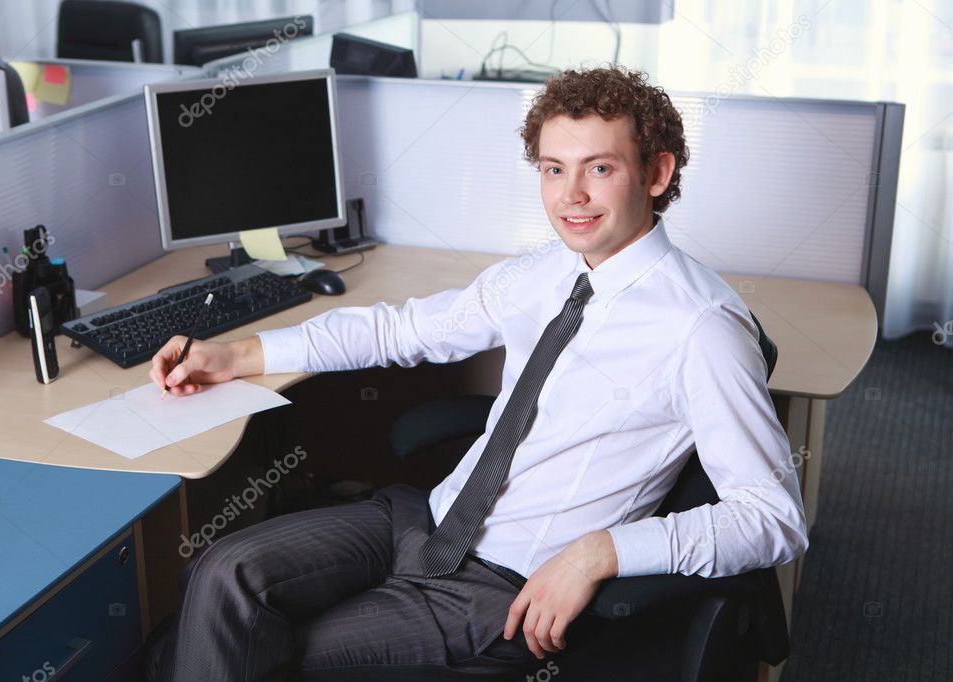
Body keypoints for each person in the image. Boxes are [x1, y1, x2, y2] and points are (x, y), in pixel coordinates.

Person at [147, 65, 809, 681]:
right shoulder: (546, 271)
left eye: (598, 168)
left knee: (251, 648)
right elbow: (399, 330)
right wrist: (234, 356)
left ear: (656, 173)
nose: (570, 196)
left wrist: (600, 553)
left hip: (504, 585)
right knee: (222, 575)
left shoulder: (702, 326)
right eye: (553, 169)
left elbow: (771, 517)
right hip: (424, 518)